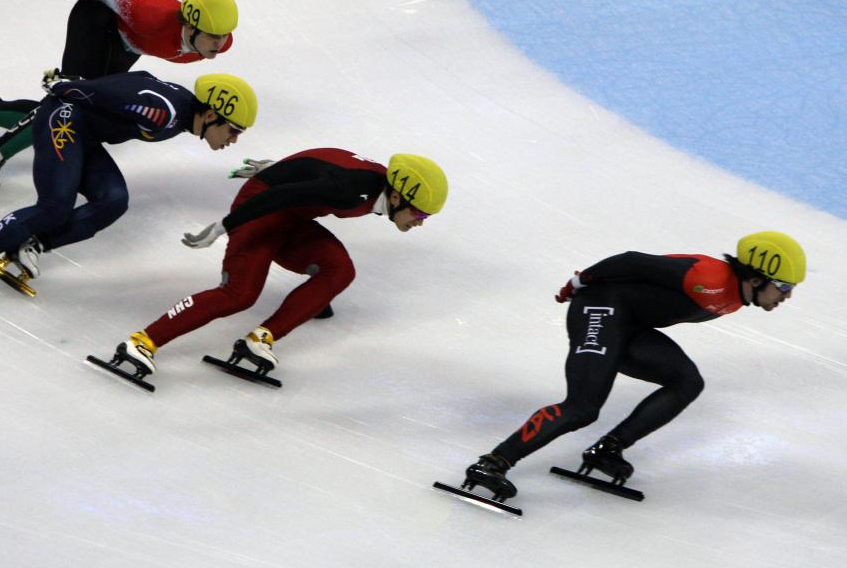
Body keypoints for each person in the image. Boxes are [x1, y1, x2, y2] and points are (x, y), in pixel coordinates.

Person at [462, 231, 807, 501]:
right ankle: (492, 464)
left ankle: (607, 449)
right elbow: (632, 261)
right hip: (599, 309)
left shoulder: (735, 297)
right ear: (757, 277)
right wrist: (579, 283)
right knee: (582, 407)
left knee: (687, 382)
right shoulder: (710, 276)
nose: (787, 297)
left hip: (629, 326)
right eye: (784, 287)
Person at [107, 149, 449, 381]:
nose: (419, 222)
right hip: (262, 208)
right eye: (418, 213)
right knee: (239, 294)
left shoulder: (375, 185)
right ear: (395, 196)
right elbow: (281, 195)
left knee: (340, 270)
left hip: (291, 216)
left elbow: (324, 161)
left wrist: (279, 168)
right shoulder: (351, 191)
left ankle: (260, 339)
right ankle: (142, 341)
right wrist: (225, 225)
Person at [0, 71, 257, 293]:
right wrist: (66, 88)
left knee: (113, 200)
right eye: (234, 130)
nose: (233, 140)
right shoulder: (165, 112)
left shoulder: (181, 111)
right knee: (55, 206)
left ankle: (32, 244)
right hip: (64, 120)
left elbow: (141, 78)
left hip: (84, 134)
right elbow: (119, 93)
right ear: (213, 114)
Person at [0, 0, 238, 192]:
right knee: (68, 102)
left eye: (223, 37)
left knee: (85, 111)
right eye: (213, 37)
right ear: (191, 25)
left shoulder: (218, 42)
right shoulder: (149, 14)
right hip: (96, 18)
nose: (219, 44)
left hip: (127, 43)